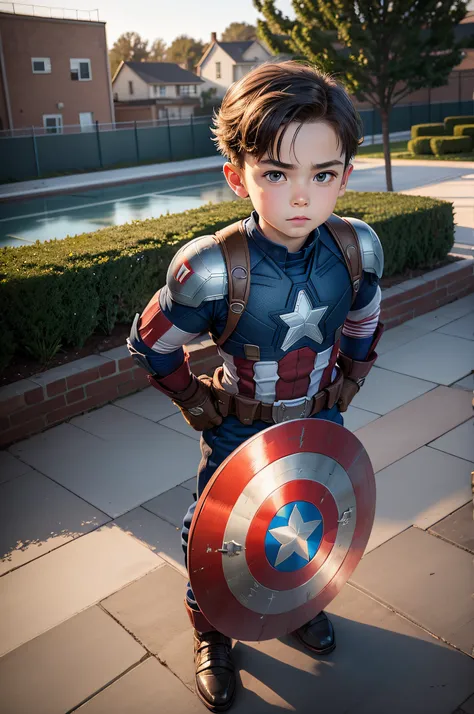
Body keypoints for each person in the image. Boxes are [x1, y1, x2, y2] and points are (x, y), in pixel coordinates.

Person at [127, 59, 384, 712]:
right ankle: (212, 631)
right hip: (241, 428)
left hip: (322, 421)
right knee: (210, 539)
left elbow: (365, 317)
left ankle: (296, 607)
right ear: (237, 176)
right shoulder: (210, 267)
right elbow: (149, 342)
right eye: (275, 172)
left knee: (310, 523)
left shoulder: (356, 249)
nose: (301, 196)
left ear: (345, 176)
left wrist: (351, 380)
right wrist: (195, 402)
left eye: (322, 174)